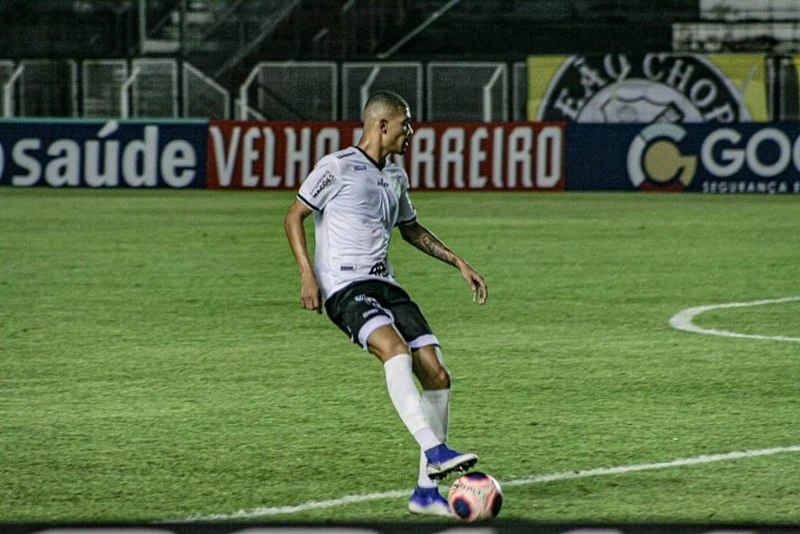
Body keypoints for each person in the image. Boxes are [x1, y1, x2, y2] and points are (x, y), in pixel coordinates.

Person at [284, 90, 488, 517]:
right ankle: (434, 450)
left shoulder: (394, 178)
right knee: (394, 351)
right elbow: (293, 216)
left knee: (436, 371)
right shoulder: (336, 167)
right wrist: (307, 274)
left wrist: (458, 262)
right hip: (344, 288)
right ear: (381, 125)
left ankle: (425, 494)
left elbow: (411, 229)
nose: (410, 132)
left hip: (386, 286)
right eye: (405, 124)